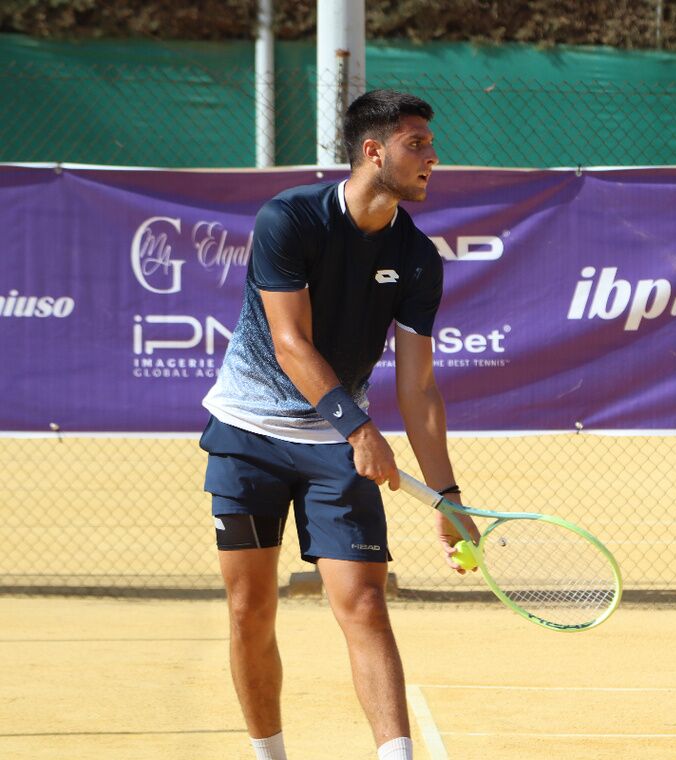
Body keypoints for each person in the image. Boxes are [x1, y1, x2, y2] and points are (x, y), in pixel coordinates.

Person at [199, 89, 477, 760]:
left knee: (365, 604)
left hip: (334, 448)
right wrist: (358, 429)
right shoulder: (289, 219)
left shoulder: (418, 258)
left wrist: (447, 495)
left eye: (431, 146)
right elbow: (291, 343)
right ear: (373, 151)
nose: (433, 158)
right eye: (418, 145)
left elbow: (417, 387)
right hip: (248, 438)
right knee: (249, 611)